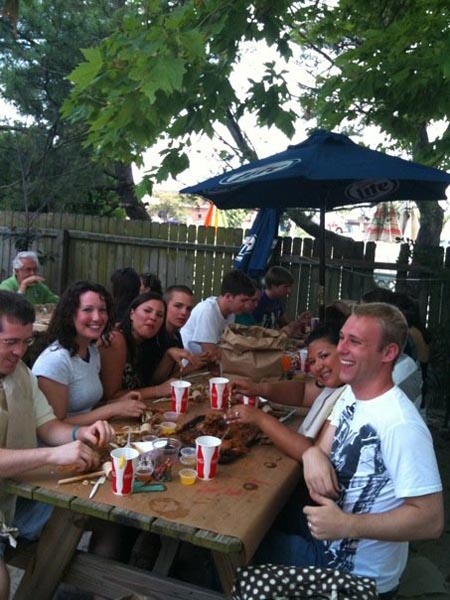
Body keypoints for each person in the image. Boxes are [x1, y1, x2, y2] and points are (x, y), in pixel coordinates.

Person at [257, 302, 443, 598]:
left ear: (388, 353)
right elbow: (318, 449)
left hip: (353, 577)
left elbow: (431, 520)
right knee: (255, 520)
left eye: (354, 342)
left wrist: (347, 525)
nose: (341, 349)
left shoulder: (400, 423)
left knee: (239, 558)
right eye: (342, 338)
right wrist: (313, 454)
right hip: (327, 533)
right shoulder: (352, 395)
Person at [0, 290, 114, 598]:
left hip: (12, 499)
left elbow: (49, 425)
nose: (20, 352)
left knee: (101, 513)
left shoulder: (21, 374)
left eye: (25, 342)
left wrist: (80, 435)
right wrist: (53, 454)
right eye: (10, 342)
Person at [32, 281, 146, 425]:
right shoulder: (55, 361)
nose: (97, 317)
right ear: (70, 314)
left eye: (102, 310)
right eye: (87, 310)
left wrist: (118, 402)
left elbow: (87, 408)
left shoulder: (91, 351)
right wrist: (113, 409)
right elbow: (54, 426)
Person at [229, 324, 348, 460]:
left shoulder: (351, 399)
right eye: (312, 362)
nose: (318, 366)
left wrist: (260, 418)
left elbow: (312, 454)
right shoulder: (337, 385)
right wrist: (258, 389)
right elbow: (302, 393)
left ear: (344, 351)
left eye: (324, 356)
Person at [99, 292, 195, 400]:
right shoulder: (116, 339)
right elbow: (112, 397)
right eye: (147, 311)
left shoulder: (148, 343)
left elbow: (154, 383)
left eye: (159, 315)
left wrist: (169, 355)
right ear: (132, 314)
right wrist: (158, 390)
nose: (153, 317)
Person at [180, 269, 255, 358]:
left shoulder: (231, 314)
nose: (247, 306)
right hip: (188, 365)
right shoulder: (207, 311)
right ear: (228, 296)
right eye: (243, 301)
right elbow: (210, 354)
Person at [252, 266, 310, 336]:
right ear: (273, 286)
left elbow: (284, 324)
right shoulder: (257, 302)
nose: (289, 291)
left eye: (290, 287)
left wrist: (299, 322)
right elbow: (254, 332)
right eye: (286, 287)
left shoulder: (277, 300)